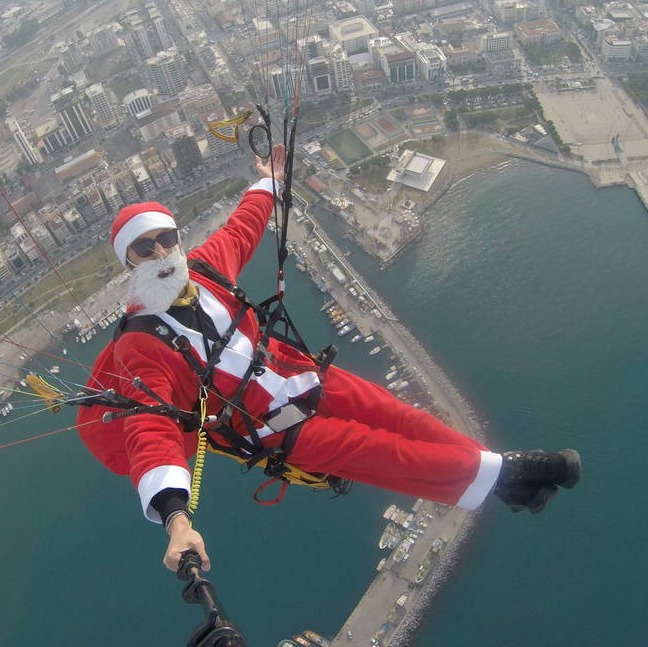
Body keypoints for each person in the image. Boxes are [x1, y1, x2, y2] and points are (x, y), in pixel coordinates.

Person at [77, 148, 580, 572]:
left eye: (166, 238)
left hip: (302, 374)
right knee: (387, 453)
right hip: (272, 428)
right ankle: (509, 475)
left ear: (178, 239)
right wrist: (175, 519)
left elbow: (244, 226)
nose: (160, 251)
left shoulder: (205, 268)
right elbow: (150, 427)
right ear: (129, 262)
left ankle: (502, 480)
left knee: (404, 418)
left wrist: (269, 180)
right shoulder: (139, 345)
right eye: (144, 247)